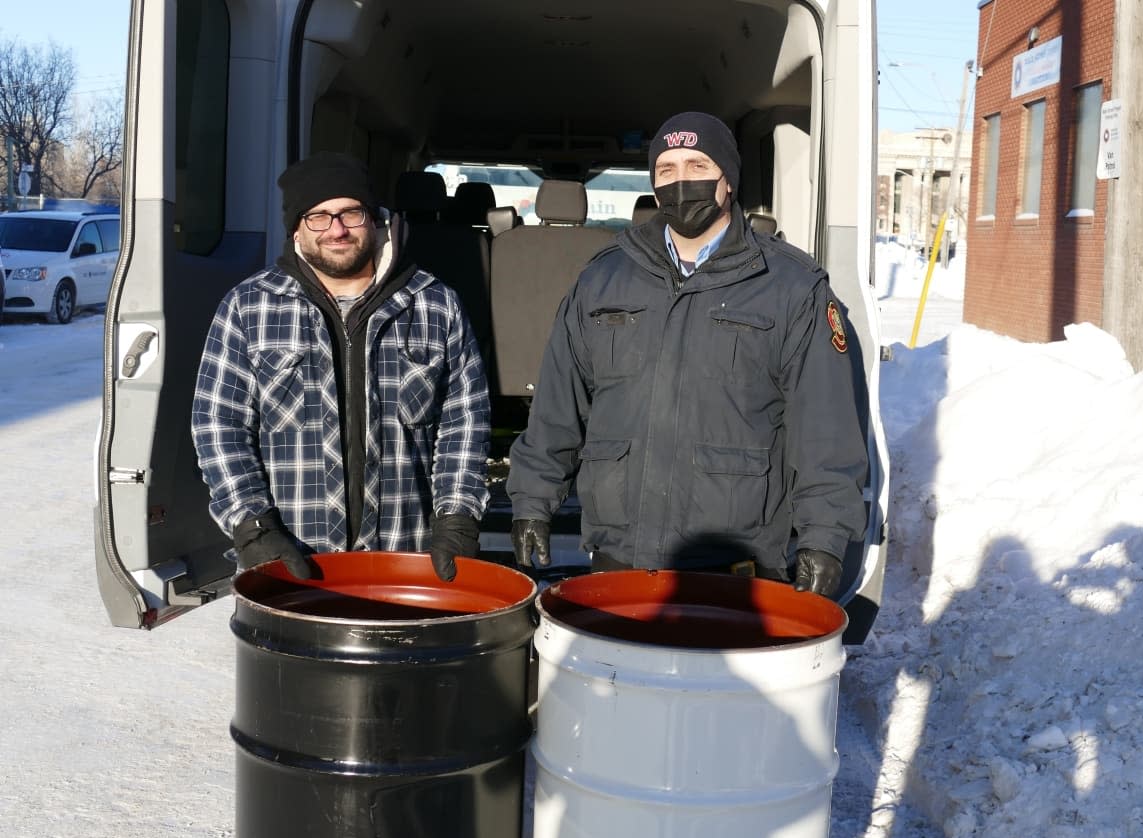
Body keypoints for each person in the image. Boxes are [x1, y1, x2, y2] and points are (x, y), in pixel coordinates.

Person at [506, 112, 866, 598]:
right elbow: (557, 409)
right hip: (618, 556)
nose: (681, 182)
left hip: (737, 563)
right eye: (667, 170)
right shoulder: (602, 280)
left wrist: (825, 538)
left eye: (697, 164)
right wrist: (533, 501)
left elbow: (825, 430)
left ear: (728, 180)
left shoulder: (791, 288)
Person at [192, 152, 490, 582]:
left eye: (351, 212)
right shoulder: (248, 307)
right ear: (296, 228)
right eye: (318, 216)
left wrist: (457, 519)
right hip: (291, 558)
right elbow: (218, 424)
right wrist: (252, 528)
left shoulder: (434, 304)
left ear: (374, 218)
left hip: (405, 558)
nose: (336, 229)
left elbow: (466, 421)